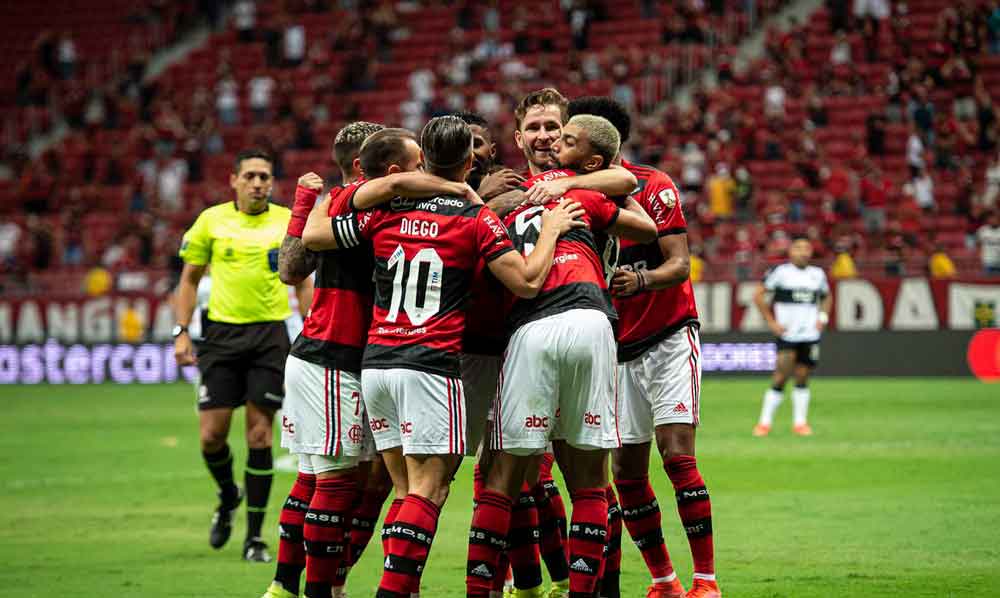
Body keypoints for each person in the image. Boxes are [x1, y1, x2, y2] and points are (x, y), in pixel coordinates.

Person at [302, 118, 584, 597]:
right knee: (428, 491)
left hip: (377, 364)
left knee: (405, 490)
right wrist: (552, 230)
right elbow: (528, 281)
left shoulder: (384, 211)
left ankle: (379, 588)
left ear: (422, 161)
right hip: (431, 364)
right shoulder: (473, 218)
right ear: (470, 163)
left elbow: (315, 236)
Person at [465, 114, 657, 598]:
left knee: (501, 478)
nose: (552, 140)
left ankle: (483, 589)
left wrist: (485, 199)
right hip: (592, 319)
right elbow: (646, 228)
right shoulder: (577, 193)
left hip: (528, 328)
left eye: (563, 134)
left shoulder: (500, 203)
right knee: (591, 484)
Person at [565, 96, 721, 598]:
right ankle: (665, 581)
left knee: (677, 456)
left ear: (599, 145)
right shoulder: (566, 195)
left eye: (571, 135)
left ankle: (707, 581)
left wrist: (641, 279)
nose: (558, 143)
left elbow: (679, 265)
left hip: (669, 334)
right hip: (616, 345)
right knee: (626, 474)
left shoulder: (653, 186)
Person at [173, 149, 313, 562]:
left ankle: (254, 538)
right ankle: (228, 493)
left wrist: (307, 327)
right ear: (233, 179)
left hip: (269, 336)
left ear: (272, 182)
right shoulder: (211, 221)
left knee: (259, 436)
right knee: (211, 436)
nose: (257, 183)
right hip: (219, 335)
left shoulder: (288, 221)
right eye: (250, 175)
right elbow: (188, 280)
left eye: (264, 176)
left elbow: (303, 280)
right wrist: (181, 333)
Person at [752, 236, 832, 437]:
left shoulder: (817, 274)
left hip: (810, 335)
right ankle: (764, 423)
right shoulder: (781, 273)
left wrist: (822, 317)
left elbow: (827, 296)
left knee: (803, 377)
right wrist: (771, 322)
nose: (803, 252)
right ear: (790, 252)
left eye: (807, 248)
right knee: (780, 376)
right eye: (798, 248)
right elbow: (758, 294)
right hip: (788, 335)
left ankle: (800, 423)